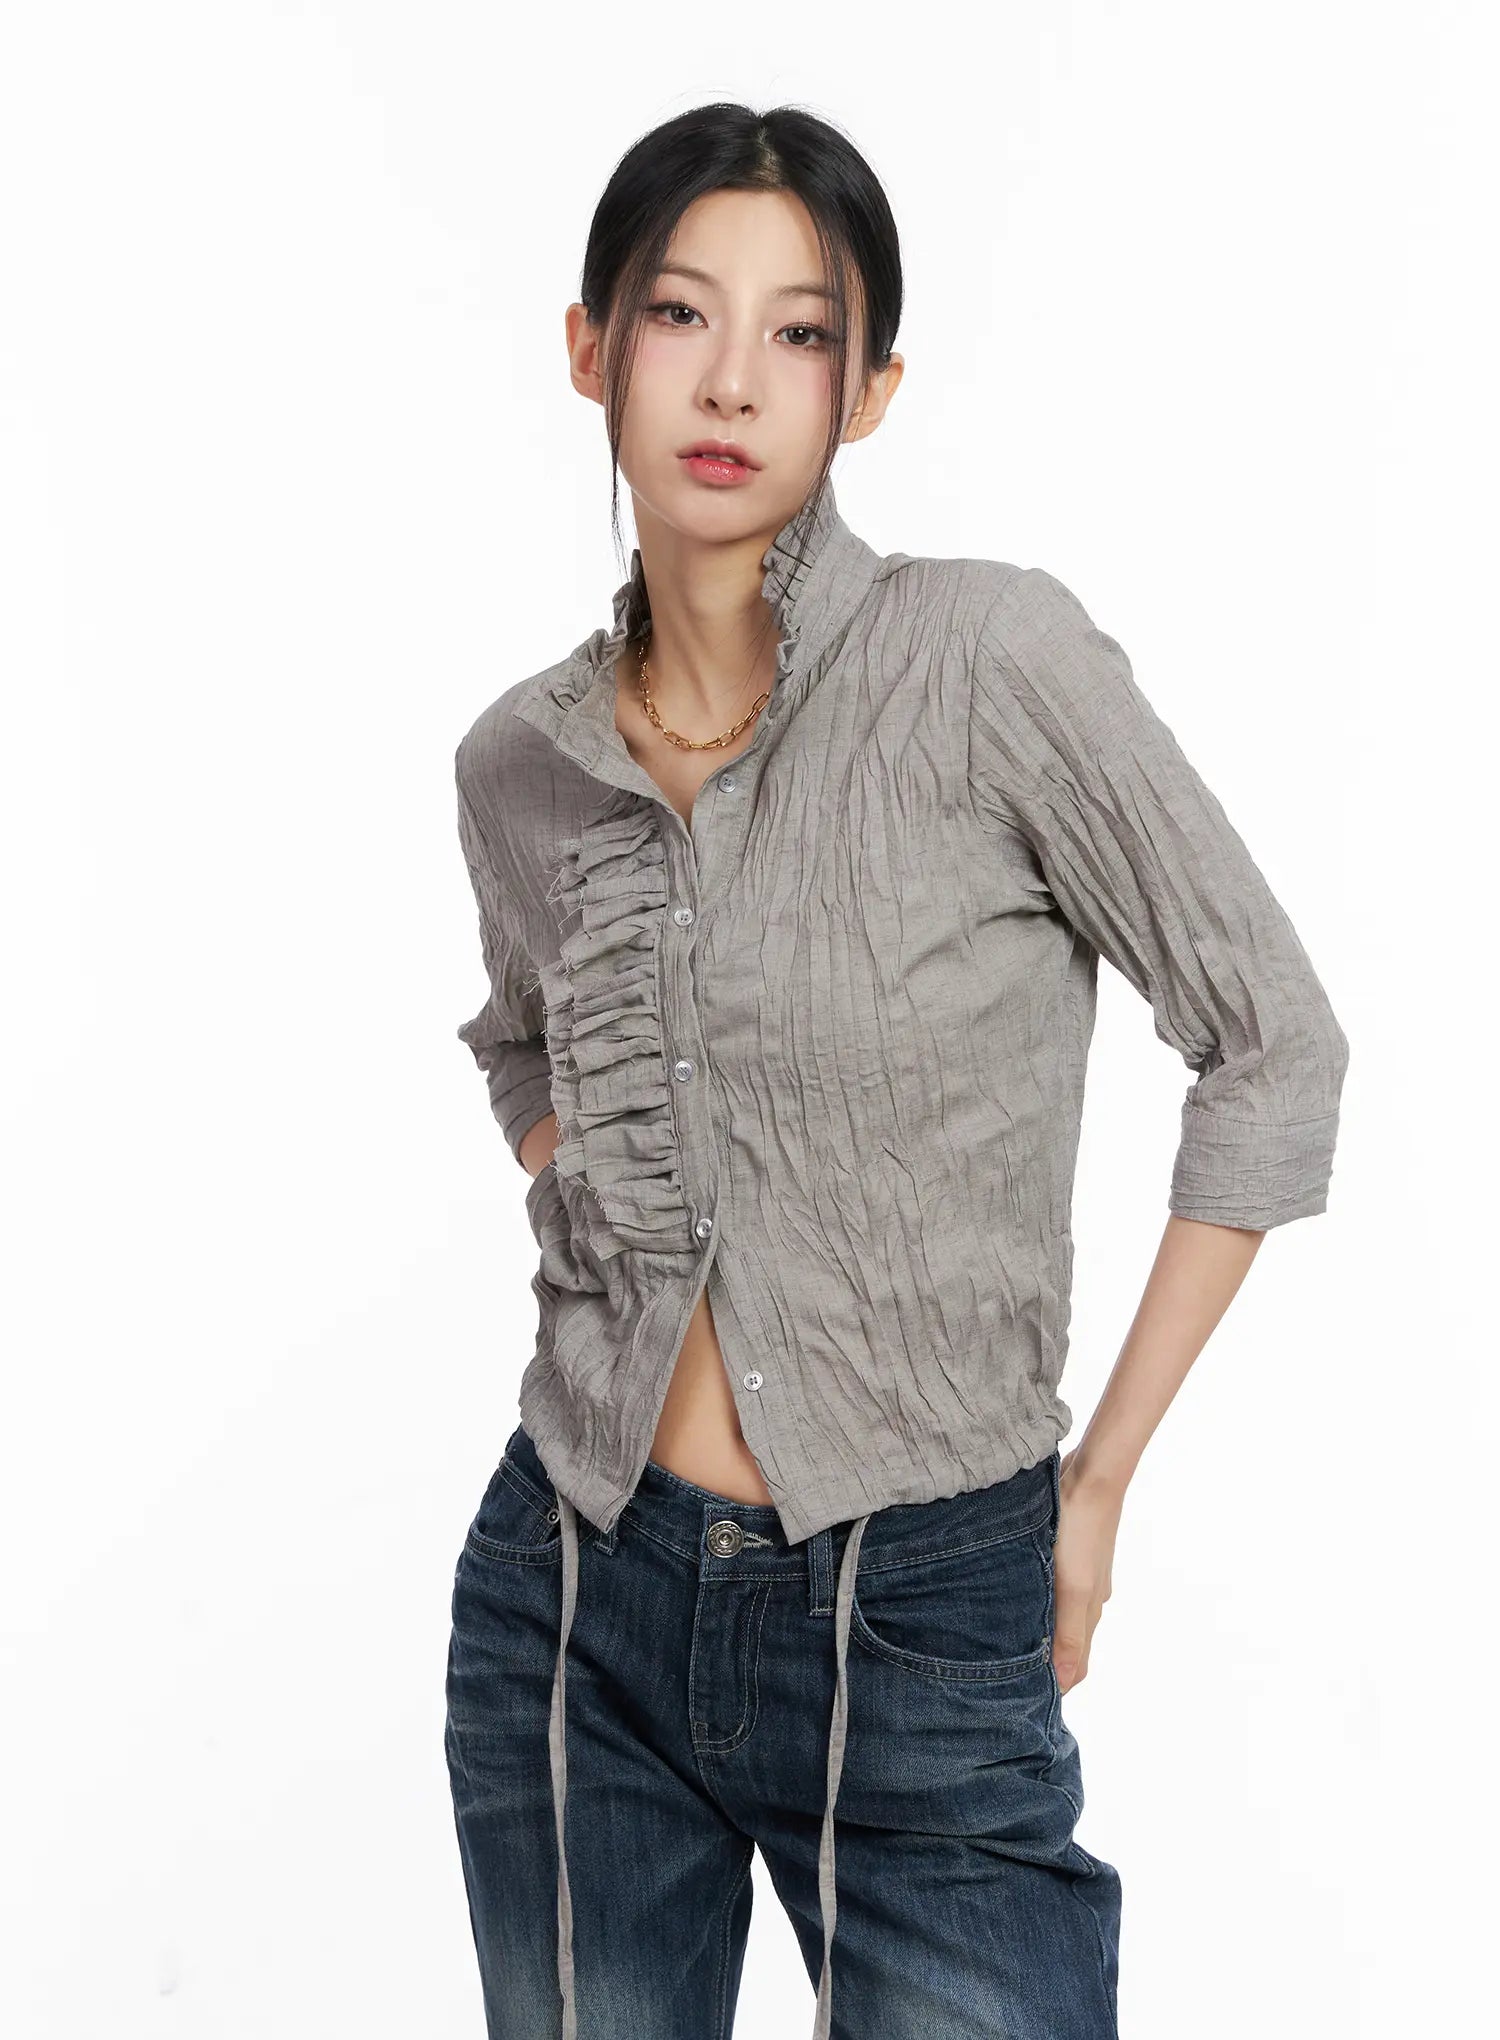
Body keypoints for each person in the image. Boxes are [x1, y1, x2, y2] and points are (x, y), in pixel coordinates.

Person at [443, 103, 1349, 2040]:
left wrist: (1097, 1485)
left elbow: (1274, 1044)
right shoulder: (519, 762)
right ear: (593, 348)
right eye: (680, 313)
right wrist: (610, 1199)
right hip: (575, 1596)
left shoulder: (988, 662)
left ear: (868, 390)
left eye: (799, 333)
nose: (732, 381)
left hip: (929, 1603)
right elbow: (521, 1034)